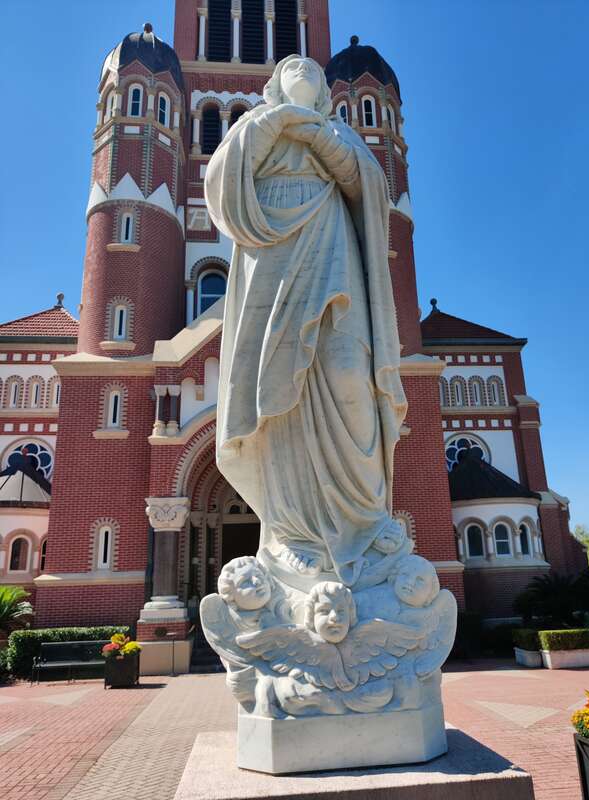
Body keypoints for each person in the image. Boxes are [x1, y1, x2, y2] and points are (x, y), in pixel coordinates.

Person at [205, 55, 407, 587]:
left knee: (348, 374)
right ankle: (294, 534)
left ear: (323, 93)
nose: (304, 75)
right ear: (275, 86)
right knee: (277, 397)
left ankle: (363, 520)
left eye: (312, 75)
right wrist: (275, 123)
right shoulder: (253, 123)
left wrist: (322, 138)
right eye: (294, 72)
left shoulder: (335, 130)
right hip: (271, 252)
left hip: (331, 247)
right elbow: (224, 182)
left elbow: (369, 189)